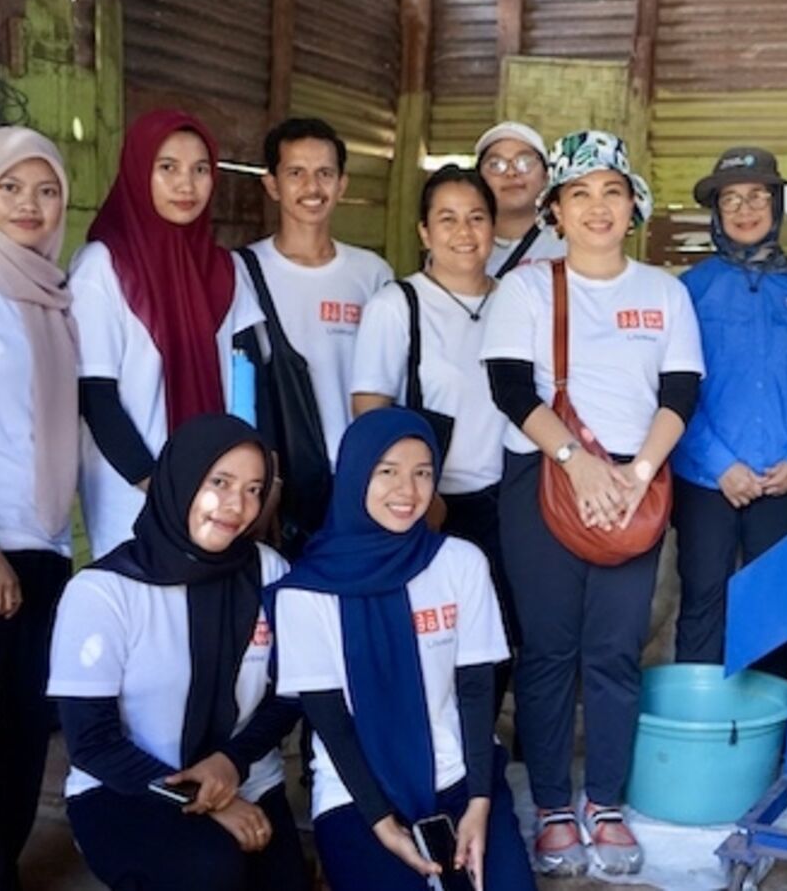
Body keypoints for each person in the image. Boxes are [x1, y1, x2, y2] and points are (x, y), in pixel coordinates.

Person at [482, 130, 703, 877]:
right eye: (579, 193)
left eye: (613, 191)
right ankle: (553, 805)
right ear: (555, 210)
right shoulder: (525, 288)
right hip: (543, 478)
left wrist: (635, 475)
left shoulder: (665, 293)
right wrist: (576, 463)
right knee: (548, 650)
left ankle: (605, 801)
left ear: (634, 206)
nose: (597, 207)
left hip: (635, 484)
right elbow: (510, 387)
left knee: (614, 651)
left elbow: (680, 393)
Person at [271, 408, 533, 891]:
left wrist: (479, 803)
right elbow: (331, 721)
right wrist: (382, 823)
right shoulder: (304, 592)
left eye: (423, 473)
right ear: (355, 474)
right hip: (357, 793)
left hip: (459, 776)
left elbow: (477, 691)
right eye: (387, 471)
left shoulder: (459, 563)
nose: (407, 491)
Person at [48, 415, 305, 891]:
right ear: (182, 477)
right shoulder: (104, 592)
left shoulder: (270, 572)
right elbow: (92, 742)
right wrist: (202, 796)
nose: (237, 505)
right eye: (220, 482)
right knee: (210, 871)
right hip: (127, 786)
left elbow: (290, 695)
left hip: (245, 775)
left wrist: (230, 763)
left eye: (253, 489)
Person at [0, 128, 79, 891]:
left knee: (25, 740)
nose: (30, 204)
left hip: (44, 546)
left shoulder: (53, 292)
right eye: (11, 186)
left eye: (47, 189)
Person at [350, 165, 517, 711]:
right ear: (424, 231)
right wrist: (412, 496)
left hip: (510, 500)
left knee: (496, 639)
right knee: (429, 638)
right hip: (429, 505)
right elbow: (370, 413)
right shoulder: (398, 305)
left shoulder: (519, 301)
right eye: (447, 219)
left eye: (476, 218)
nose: (464, 232)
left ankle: (478, 744)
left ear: (494, 227)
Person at [671, 147, 787, 673]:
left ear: (777, 205)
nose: (745, 210)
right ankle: (700, 716)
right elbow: (675, 390)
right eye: (731, 200)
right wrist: (720, 464)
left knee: (776, 609)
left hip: (781, 477)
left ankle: (771, 721)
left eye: (758, 197)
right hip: (707, 478)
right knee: (703, 601)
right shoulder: (689, 289)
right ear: (716, 212)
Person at [71, 110, 263, 558]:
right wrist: (161, 488)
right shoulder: (102, 266)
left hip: (218, 502)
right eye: (168, 168)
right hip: (133, 498)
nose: (186, 185)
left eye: (200, 170)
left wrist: (248, 482)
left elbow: (248, 381)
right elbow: (97, 398)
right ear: (139, 172)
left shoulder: (226, 270)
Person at [242, 117, 392, 551]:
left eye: (325, 173)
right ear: (272, 185)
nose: (312, 187)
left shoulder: (372, 273)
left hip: (360, 476)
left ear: (342, 184)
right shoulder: (243, 271)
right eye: (296, 173)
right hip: (283, 481)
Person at [476, 121, 563, 275]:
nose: (511, 173)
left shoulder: (572, 245)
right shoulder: (464, 246)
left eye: (525, 162)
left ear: (546, 176)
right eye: (496, 164)